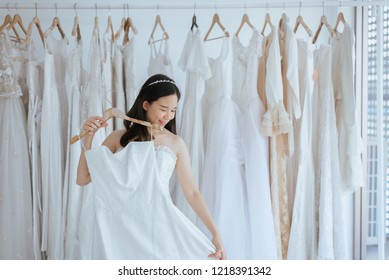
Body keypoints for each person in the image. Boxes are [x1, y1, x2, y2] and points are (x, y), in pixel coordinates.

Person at [76, 74, 225, 260]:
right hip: (121, 229)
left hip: (157, 225)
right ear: (146, 105)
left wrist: (215, 233)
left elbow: (193, 192)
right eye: (164, 109)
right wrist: (88, 138)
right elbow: (82, 179)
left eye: (173, 110)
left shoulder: (175, 143)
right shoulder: (118, 138)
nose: (168, 116)